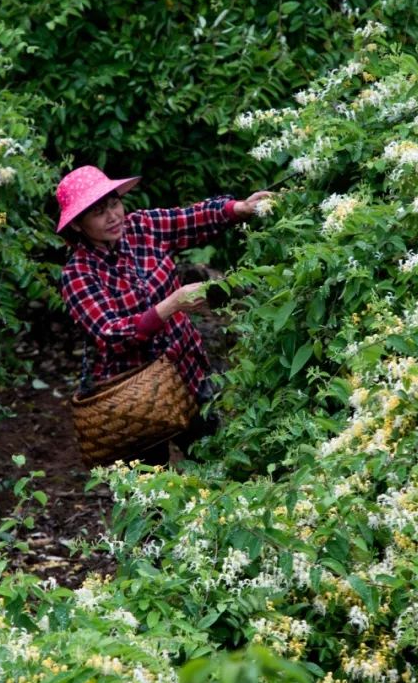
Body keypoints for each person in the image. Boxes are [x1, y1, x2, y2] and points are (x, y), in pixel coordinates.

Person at [56, 165, 271, 464]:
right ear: (78, 225)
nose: (113, 216)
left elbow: (190, 219)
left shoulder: (142, 227)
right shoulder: (78, 274)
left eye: (114, 203)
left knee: (215, 460)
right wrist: (173, 303)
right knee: (149, 491)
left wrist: (239, 208)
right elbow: (112, 334)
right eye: (98, 212)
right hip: (133, 397)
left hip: (187, 372)